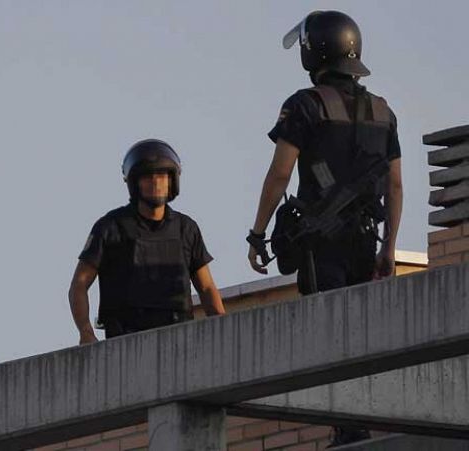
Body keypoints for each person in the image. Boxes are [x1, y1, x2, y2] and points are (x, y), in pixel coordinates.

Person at [246, 11, 403, 446]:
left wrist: (257, 234)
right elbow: (395, 185)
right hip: (365, 240)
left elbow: (279, 174)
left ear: (314, 51)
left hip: (322, 244)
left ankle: (348, 429)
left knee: (329, 334)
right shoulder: (383, 111)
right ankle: (358, 424)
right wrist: (388, 248)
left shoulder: (305, 104)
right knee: (360, 332)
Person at [69, 139, 225, 344]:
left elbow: (206, 287)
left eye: (162, 176)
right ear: (135, 183)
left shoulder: (186, 228)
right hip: (124, 341)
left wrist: (225, 331)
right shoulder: (110, 227)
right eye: (148, 176)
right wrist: (85, 332)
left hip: (179, 339)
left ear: (172, 180)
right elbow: (79, 285)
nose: (156, 183)